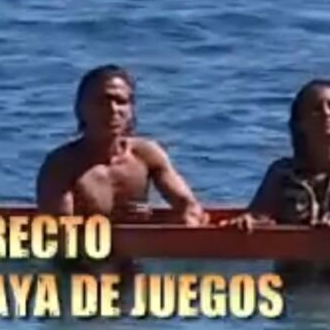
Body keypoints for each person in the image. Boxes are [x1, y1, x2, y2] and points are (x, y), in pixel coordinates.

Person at [225, 78, 330, 284]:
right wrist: (247, 222)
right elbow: (258, 214)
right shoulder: (282, 171)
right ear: (300, 123)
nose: (326, 113)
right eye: (315, 109)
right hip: (287, 283)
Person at [35, 65, 206, 227]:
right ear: (81, 108)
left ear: (131, 109)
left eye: (121, 101)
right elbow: (59, 233)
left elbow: (190, 207)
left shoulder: (147, 154)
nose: (112, 110)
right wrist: (114, 222)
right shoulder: (61, 166)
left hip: (139, 248)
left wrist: (157, 221)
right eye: (102, 102)